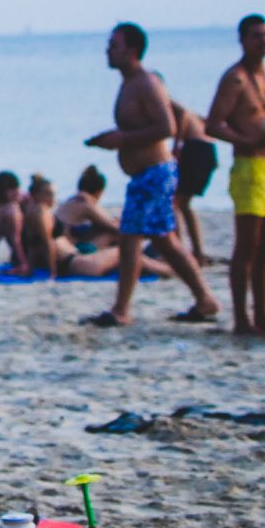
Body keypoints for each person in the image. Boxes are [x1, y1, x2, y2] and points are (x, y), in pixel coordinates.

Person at [82, 23, 225, 328]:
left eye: (114, 45)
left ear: (132, 50)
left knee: (131, 237)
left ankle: (121, 310)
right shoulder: (128, 84)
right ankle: (205, 299)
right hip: (147, 175)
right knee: (165, 240)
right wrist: (110, 139)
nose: (108, 50)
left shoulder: (147, 83)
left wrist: (121, 140)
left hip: (154, 174)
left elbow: (168, 126)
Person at [205, 14, 265, 339]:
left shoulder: (264, 73)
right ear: (243, 40)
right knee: (248, 243)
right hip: (249, 167)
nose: (263, 41)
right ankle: (242, 319)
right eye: (256, 36)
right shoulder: (236, 78)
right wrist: (248, 141)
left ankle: (263, 315)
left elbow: (256, 113)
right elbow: (213, 123)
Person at [19, 174, 172, 280]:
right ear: (36, 195)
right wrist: (52, 274)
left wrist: (30, 267)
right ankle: (171, 271)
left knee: (127, 257)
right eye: (47, 194)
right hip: (77, 263)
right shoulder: (41, 213)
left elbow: (34, 244)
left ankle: (164, 264)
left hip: (75, 261)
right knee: (126, 253)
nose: (52, 199)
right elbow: (47, 243)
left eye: (53, 194)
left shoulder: (34, 211)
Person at [171, 97, 219, 265]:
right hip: (207, 150)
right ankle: (196, 252)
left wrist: (178, 144)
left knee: (175, 202)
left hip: (196, 148)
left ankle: (179, 251)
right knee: (183, 203)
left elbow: (183, 114)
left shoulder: (163, 98)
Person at [53, 166, 121, 251]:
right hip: (71, 251)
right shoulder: (85, 203)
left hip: (63, 247)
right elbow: (115, 228)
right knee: (113, 235)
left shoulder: (73, 200)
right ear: (99, 192)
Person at [0, 170, 26, 269]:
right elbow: (15, 241)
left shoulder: (5, 210)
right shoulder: (11, 210)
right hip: (24, 256)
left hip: (21, 257)